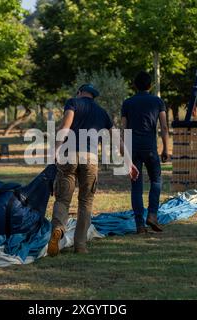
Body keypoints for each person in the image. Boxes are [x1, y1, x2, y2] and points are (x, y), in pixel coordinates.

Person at [47, 84, 114, 256]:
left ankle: (58, 229)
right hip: (90, 159)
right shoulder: (102, 112)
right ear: (94, 96)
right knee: (86, 202)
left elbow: (65, 127)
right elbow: (117, 138)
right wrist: (129, 163)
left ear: (79, 93)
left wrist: (55, 149)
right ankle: (81, 245)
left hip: (68, 155)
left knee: (63, 199)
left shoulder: (73, 103)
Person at [121, 71, 170, 234]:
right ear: (150, 85)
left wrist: (122, 149)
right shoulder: (158, 102)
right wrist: (165, 148)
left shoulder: (127, 103)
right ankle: (152, 215)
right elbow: (163, 127)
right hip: (150, 148)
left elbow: (123, 128)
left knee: (136, 186)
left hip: (133, 149)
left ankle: (139, 225)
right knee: (156, 180)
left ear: (135, 86)